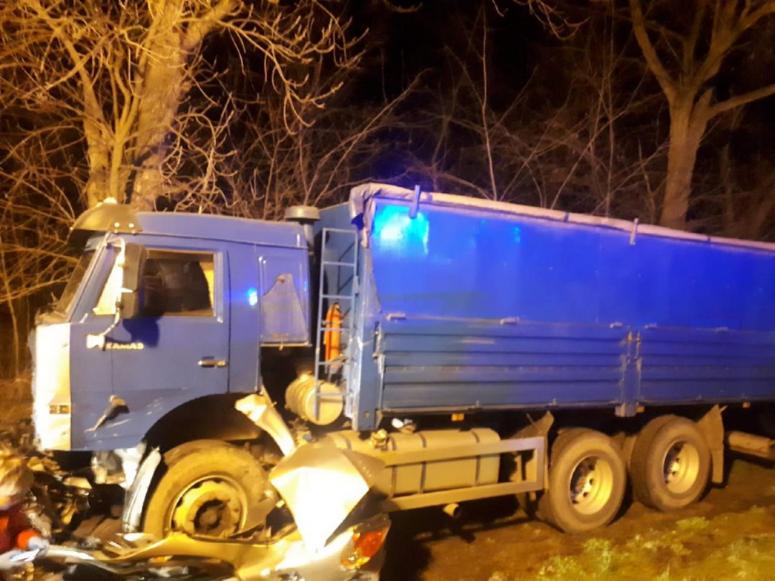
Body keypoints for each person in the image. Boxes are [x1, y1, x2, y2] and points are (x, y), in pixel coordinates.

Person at [0, 447, 48, 573]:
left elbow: (18, 530)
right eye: (11, 496)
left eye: (20, 494)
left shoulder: (10, 510)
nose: (16, 500)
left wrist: (29, 539)